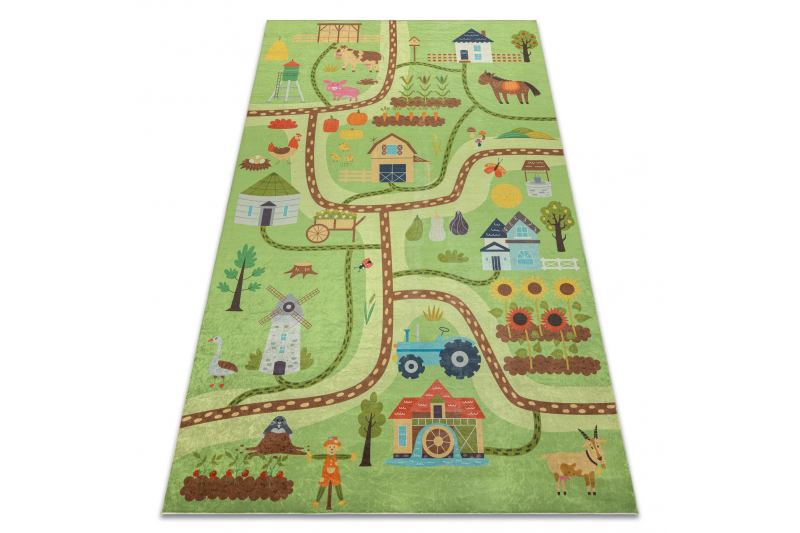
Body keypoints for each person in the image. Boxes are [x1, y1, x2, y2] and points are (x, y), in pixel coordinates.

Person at [307, 436, 356, 508]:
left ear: (337, 448)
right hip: (325, 474)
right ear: (326, 448)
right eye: (329, 447)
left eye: (334, 447)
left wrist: (350, 456)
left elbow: (342, 456)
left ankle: (341, 499)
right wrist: (312, 456)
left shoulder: (336, 456)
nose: (332, 449)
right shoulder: (326, 456)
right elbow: (319, 456)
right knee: (322, 486)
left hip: (335, 474)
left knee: (338, 485)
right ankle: (317, 501)